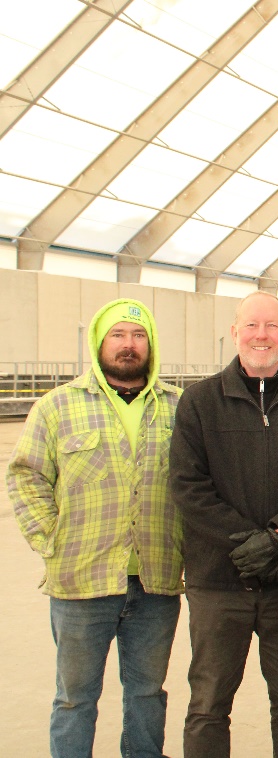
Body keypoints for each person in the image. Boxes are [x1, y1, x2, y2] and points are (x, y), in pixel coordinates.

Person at [8, 298, 182, 758]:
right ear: (99, 342)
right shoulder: (57, 406)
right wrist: (50, 539)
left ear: (152, 344)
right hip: (80, 582)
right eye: (118, 335)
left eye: (138, 335)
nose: (128, 345)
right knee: (75, 697)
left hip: (155, 581)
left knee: (147, 693)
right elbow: (26, 476)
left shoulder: (178, 408)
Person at [171, 291, 278, 758]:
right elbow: (188, 485)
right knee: (208, 703)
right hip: (218, 583)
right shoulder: (199, 403)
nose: (261, 335)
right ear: (234, 332)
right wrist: (246, 542)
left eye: (271, 326)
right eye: (252, 326)